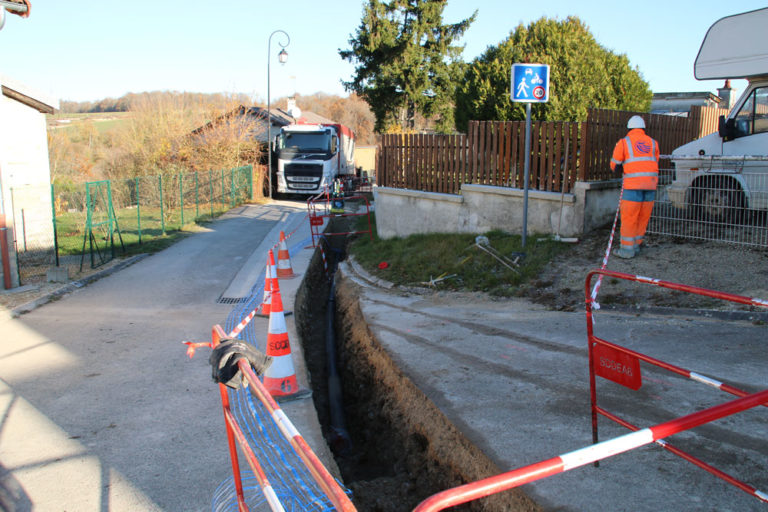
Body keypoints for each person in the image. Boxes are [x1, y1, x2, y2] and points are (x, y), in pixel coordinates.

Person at [610, 115, 660, 259]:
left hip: (632, 186)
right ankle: (636, 245)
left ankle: (627, 250)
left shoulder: (624, 142)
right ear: (643, 128)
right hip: (650, 185)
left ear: (629, 128)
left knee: (629, 217)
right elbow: (654, 161)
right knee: (643, 217)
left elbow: (615, 165)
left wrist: (620, 168)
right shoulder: (653, 142)